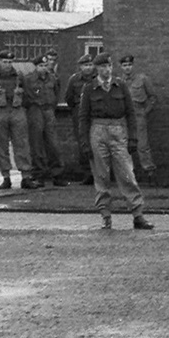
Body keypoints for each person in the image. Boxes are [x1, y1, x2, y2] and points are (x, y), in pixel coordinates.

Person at [79, 54, 152, 230]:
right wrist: (84, 143)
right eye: (103, 67)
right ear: (97, 69)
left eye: (109, 66)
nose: (107, 70)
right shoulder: (89, 88)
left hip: (119, 131)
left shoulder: (121, 86)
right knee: (101, 176)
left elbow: (131, 113)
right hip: (97, 131)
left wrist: (133, 137)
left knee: (127, 174)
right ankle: (105, 216)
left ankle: (137, 214)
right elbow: (83, 117)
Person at [0, 49, 36, 190]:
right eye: (5, 62)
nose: (7, 64)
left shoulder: (19, 75)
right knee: (1, 145)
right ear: (0, 62)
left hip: (17, 110)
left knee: (22, 144)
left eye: (10, 62)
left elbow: (28, 94)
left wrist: (24, 109)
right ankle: (6, 177)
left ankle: (26, 176)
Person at [25, 52, 65, 187]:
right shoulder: (28, 79)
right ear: (35, 67)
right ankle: (39, 174)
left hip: (49, 110)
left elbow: (56, 93)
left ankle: (57, 174)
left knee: (53, 144)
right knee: (36, 144)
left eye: (45, 65)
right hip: (35, 110)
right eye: (40, 65)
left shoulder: (52, 78)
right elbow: (25, 96)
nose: (43, 68)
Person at [118, 54, 159, 182]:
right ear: (121, 67)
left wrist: (145, 112)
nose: (127, 68)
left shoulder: (142, 79)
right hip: (123, 118)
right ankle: (128, 174)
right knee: (124, 146)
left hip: (138, 115)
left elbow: (152, 97)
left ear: (133, 65)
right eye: (124, 65)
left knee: (142, 145)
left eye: (129, 65)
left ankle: (150, 173)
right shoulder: (118, 82)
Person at [64, 54, 97, 184]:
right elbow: (69, 98)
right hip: (79, 114)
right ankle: (88, 173)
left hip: (95, 113)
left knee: (97, 143)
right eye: (85, 65)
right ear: (80, 67)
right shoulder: (74, 80)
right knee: (83, 143)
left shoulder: (98, 78)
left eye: (90, 65)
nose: (88, 68)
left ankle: (99, 172)